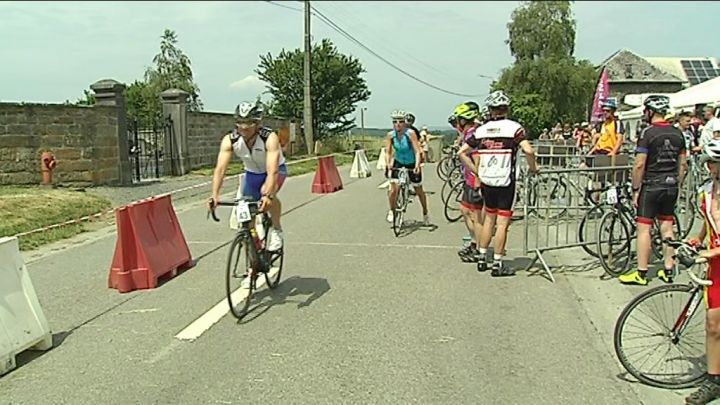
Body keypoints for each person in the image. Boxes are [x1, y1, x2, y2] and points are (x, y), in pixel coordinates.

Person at [466, 90, 539, 276]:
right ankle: (498, 262)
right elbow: (529, 151)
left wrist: (477, 172)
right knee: (503, 223)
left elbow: (461, 151)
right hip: (506, 181)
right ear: (507, 109)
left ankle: (482, 258)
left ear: (490, 110)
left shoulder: (481, 130)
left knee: (488, 218)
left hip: (487, 181)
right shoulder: (514, 128)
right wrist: (533, 168)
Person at [619, 95, 687, 286]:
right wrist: (678, 185)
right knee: (667, 227)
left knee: (644, 229)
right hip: (671, 184)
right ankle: (668, 269)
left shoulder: (648, 133)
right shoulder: (678, 133)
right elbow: (683, 164)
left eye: (645, 110)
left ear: (651, 111)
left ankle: (641, 273)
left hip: (651, 185)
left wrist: (635, 189)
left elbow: (639, 164)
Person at [209, 100, 288, 252]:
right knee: (246, 213)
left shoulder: (269, 137)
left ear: (258, 123)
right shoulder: (230, 140)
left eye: (249, 123)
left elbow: (272, 171)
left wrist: (268, 196)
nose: (244, 127)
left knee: (269, 194)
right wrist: (215, 194)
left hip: (275, 170)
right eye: (240, 122)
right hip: (252, 174)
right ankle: (255, 251)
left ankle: (277, 229)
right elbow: (220, 169)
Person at [684, 139, 720, 405]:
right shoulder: (706, 192)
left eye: (714, 164)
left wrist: (712, 252)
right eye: (710, 164)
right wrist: (697, 240)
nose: (710, 169)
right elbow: (709, 225)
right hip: (717, 266)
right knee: (712, 325)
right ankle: (714, 379)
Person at [384, 109, 430, 225]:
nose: (397, 124)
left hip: (411, 162)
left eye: (400, 121)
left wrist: (417, 165)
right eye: (395, 122)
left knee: (418, 190)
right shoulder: (391, 135)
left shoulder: (410, 134)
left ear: (404, 123)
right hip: (399, 161)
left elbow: (416, 151)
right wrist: (388, 163)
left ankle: (425, 212)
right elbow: (388, 152)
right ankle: (392, 210)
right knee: (393, 189)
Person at [455, 102, 485, 262]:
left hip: (474, 179)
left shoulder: (474, 134)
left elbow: (477, 156)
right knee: (464, 210)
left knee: (476, 217)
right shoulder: (469, 133)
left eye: (458, 120)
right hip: (468, 179)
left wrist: (478, 177)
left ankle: (480, 249)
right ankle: (475, 242)